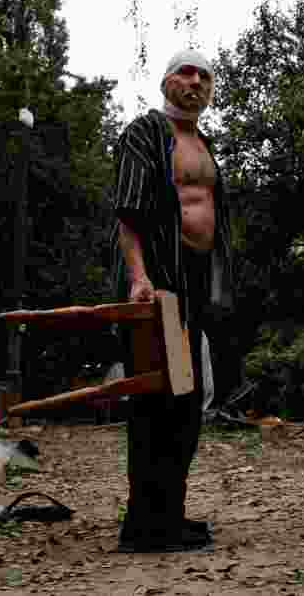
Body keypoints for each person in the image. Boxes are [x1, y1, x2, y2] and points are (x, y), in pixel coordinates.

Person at [110, 49, 236, 553]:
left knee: (185, 405)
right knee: (156, 403)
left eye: (204, 75)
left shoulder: (204, 144)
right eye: (186, 71)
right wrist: (138, 277)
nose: (196, 80)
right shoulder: (145, 132)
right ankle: (144, 526)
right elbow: (128, 215)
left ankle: (169, 516)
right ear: (166, 81)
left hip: (195, 287)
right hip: (158, 284)